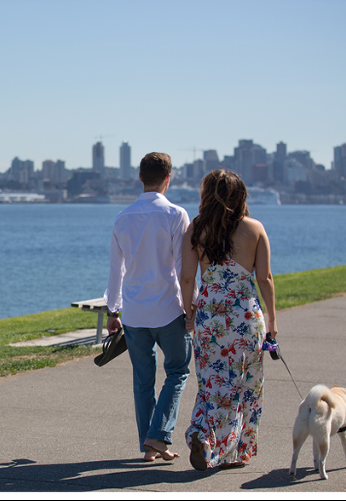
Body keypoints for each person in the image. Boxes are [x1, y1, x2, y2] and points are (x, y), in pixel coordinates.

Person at [180, 169, 277, 471]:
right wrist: (273, 321)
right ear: (241, 195)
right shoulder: (255, 229)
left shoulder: (196, 229)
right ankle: (236, 452)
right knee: (247, 384)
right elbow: (265, 278)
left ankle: (202, 435)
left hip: (211, 317)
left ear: (206, 194)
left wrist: (189, 313)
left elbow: (186, 278)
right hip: (246, 317)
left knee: (212, 383)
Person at [104, 152, 194, 462]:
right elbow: (184, 268)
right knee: (178, 371)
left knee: (143, 380)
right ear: (168, 178)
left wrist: (112, 312)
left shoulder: (122, 218)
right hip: (169, 309)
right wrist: (190, 307)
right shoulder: (176, 214)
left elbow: (117, 271)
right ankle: (158, 437)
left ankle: (150, 445)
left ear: (140, 177)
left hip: (134, 314)